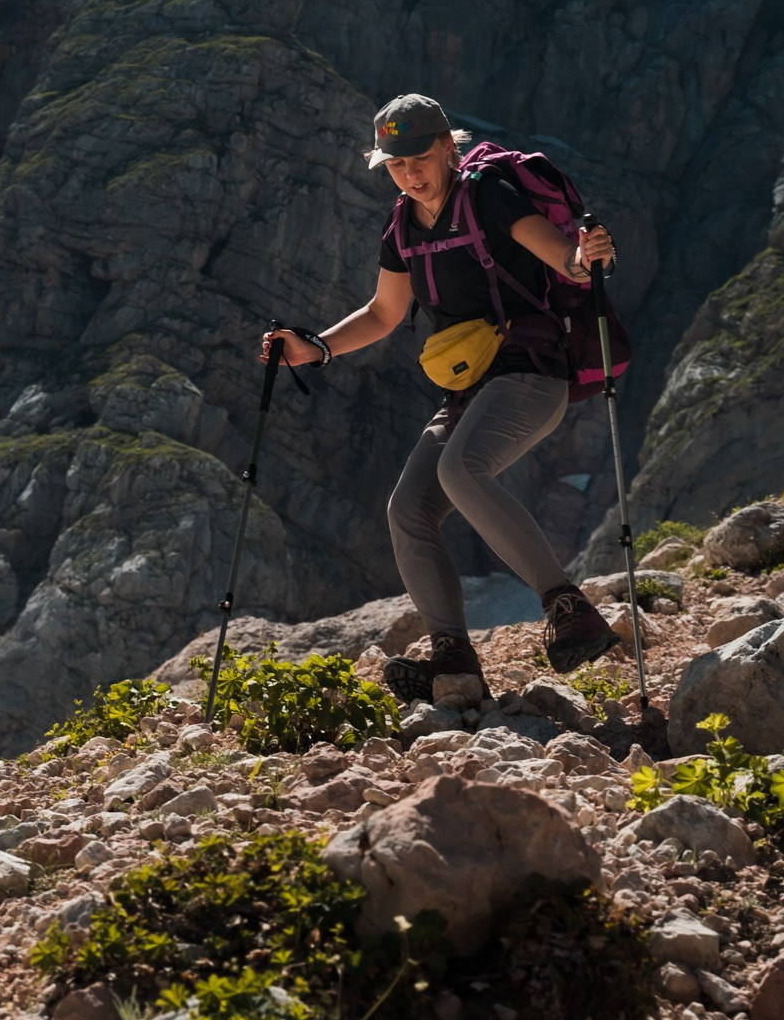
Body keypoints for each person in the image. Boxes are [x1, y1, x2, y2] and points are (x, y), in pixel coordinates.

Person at [260, 93, 621, 700]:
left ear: (449, 148)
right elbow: (383, 313)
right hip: (469, 390)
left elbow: (564, 259)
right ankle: (453, 659)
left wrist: (586, 259)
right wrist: (313, 348)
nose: (410, 174)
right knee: (408, 510)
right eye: (396, 164)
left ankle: (569, 611)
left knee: (460, 470)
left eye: (420, 158)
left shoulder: (487, 196)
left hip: (532, 373)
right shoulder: (402, 227)